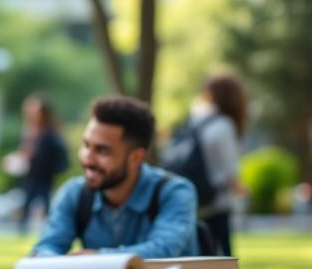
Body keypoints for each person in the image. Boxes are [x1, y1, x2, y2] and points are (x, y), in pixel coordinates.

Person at [31, 96, 198, 258]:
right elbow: (46, 247)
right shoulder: (74, 194)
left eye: (102, 151)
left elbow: (164, 250)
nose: (88, 157)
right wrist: (47, 259)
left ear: (136, 158)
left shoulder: (174, 192)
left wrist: (96, 258)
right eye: (86, 145)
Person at [185, 74, 249, 256]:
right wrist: (242, 190)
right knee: (223, 258)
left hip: (194, 196)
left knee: (200, 256)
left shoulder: (194, 120)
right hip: (216, 201)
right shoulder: (224, 125)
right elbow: (230, 171)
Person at [3, 94, 69, 234]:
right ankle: (23, 229)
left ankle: (52, 230)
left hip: (45, 174)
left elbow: (54, 154)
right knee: (28, 202)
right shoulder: (28, 129)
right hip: (31, 174)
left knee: (45, 203)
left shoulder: (49, 132)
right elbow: (26, 151)